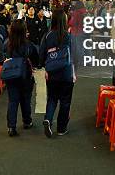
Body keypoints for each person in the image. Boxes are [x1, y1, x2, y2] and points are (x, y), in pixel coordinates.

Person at [39, 9, 75, 138]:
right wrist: (74, 73)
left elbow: (41, 55)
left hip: (52, 73)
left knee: (52, 98)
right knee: (65, 101)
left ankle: (48, 118)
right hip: (66, 73)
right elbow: (73, 56)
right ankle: (61, 128)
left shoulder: (47, 36)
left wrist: (45, 69)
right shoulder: (68, 35)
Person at [5, 19, 39, 136]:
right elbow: (36, 60)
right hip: (26, 76)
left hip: (10, 75)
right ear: (25, 30)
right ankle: (27, 121)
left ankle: (11, 127)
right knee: (26, 100)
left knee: (13, 101)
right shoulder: (29, 45)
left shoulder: (7, 44)